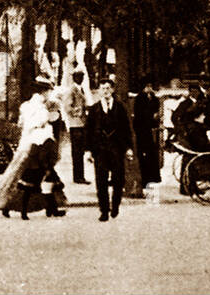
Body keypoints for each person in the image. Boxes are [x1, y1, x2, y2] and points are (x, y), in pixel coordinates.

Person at [0, 76, 66, 219]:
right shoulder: (38, 107)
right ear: (43, 92)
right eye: (48, 91)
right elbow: (35, 123)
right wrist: (47, 118)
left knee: (47, 177)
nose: (48, 94)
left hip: (32, 143)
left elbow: (22, 123)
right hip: (37, 145)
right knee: (34, 178)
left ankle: (51, 208)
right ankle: (13, 206)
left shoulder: (28, 105)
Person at [85, 79, 134, 222]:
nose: (105, 91)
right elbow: (88, 131)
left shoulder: (120, 107)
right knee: (101, 181)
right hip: (100, 150)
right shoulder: (94, 109)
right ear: (99, 90)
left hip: (117, 149)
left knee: (118, 180)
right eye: (102, 88)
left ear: (112, 90)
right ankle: (104, 210)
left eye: (108, 88)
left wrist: (128, 148)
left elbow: (126, 129)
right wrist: (88, 150)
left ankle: (116, 206)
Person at [132, 79, 163, 185]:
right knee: (143, 153)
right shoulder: (139, 98)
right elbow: (139, 114)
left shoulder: (154, 98)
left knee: (152, 153)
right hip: (142, 129)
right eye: (147, 86)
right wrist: (151, 116)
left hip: (150, 129)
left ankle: (154, 176)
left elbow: (157, 109)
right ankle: (145, 177)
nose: (149, 88)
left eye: (150, 85)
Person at [60, 71, 89, 184]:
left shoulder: (80, 89)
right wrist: (77, 112)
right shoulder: (72, 90)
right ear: (74, 78)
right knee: (77, 151)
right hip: (75, 124)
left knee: (80, 151)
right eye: (78, 77)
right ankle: (78, 177)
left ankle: (80, 176)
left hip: (80, 124)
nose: (80, 79)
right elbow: (67, 106)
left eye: (81, 77)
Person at [172, 82, 209, 150]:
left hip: (205, 125)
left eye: (196, 91)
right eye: (192, 91)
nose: (194, 93)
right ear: (189, 92)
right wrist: (180, 127)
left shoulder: (205, 102)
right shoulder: (184, 104)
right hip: (190, 127)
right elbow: (175, 117)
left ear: (199, 92)